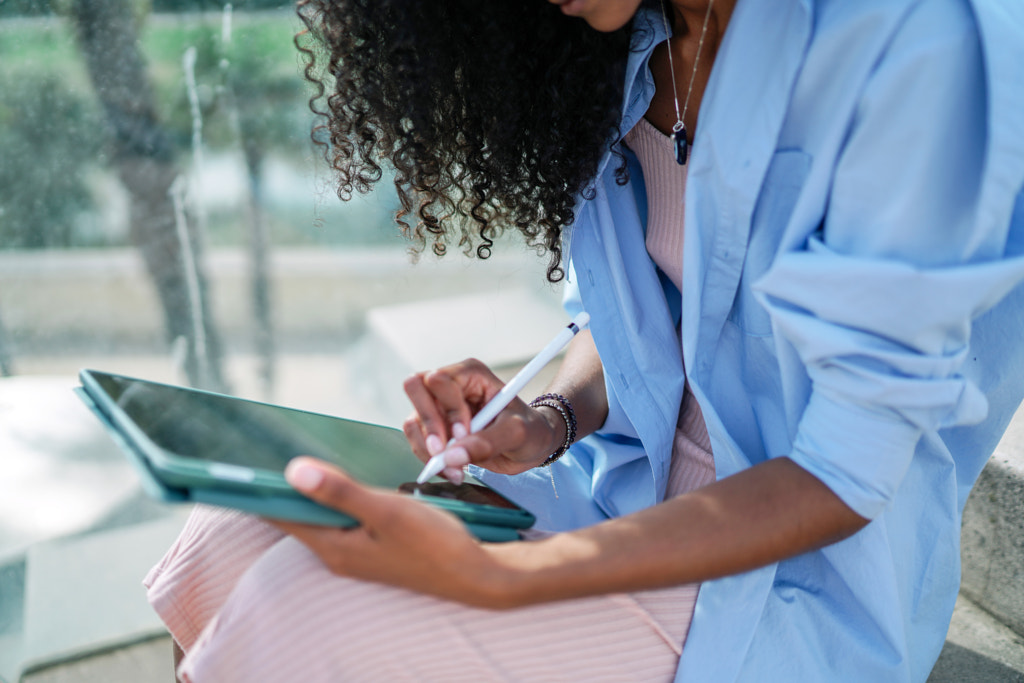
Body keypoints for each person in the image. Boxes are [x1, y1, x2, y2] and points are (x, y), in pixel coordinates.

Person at [144, 0, 1024, 680]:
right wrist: (550, 418)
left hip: (785, 580)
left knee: (300, 609)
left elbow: (844, 472)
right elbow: (641, 312)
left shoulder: (916, 47)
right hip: (624, 497)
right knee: (239, 524)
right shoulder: (631, 42)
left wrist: (513, 579)